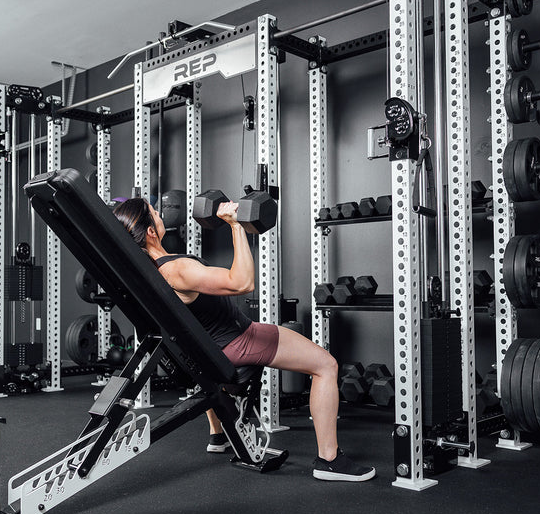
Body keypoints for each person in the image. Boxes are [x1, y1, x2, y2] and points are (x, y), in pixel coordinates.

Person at [113, 197, 375, 482]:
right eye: (154, 213)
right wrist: (236, 226)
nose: (160, 215)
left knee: (205, 365)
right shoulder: (176, 269)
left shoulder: (147, 274)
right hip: (240, 339)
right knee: (326, 365)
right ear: (150, 231)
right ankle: (330, 460)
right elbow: (242, 283)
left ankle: (218, 435)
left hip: (207, 352)